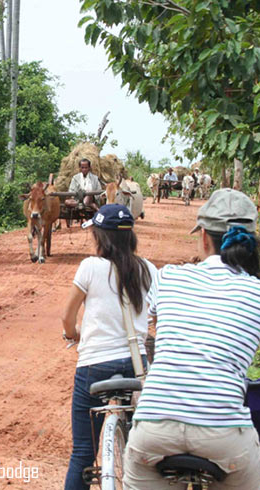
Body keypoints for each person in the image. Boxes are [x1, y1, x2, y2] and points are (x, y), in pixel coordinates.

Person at [122, 189, 260, 489]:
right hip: (223, 438)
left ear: (205, 237)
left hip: (154, 430)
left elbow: (160, 328)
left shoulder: (169, 277)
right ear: (250, 244)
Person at [60, 204, 157, 490]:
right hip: (136, 367)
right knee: (143, 450)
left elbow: (67, 317)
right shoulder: (148, 269)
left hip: (94, 367)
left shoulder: (90, 267)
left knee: (83, 453)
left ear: (101, 237)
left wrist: (72, 336)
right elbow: (159, 317)